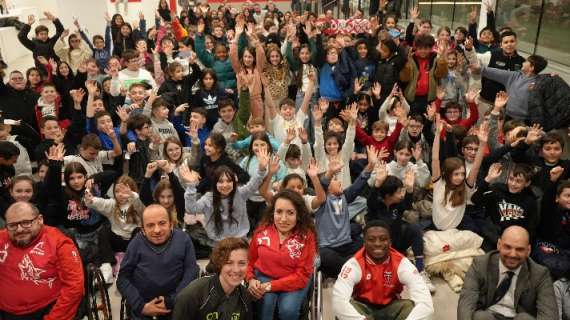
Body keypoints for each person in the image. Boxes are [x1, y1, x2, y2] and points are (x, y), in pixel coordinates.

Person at [332, 219, 434, 320]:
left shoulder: (402, 263)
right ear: (364, 243)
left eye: (383, 239)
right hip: (362, 308)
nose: (377, 244)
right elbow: (338, 301)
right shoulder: (353, 265)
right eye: (371, 239)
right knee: (343, 311)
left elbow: (426, 304)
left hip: (391, 307)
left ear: (390, 242)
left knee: (410, 307)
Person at [0, 202, 84, 320]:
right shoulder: (2, 238)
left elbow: (74, 287)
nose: (19, 230)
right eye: (12, 225)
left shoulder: (59, 242)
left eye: (26, 223)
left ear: (40, 220)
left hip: (46, 311)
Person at [117, 204, 199, 320]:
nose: (157, 230)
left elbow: (192, 271)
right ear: (143, 230)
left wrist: (172, 300)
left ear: (171, 224)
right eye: (150, 225)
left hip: (178, 303)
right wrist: (141, 306)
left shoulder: (183, 239)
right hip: (143, 307)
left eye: (162, 223)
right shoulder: (136, 243)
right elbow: (122, 278)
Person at [457, 226, 558, 320]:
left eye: (520, 249)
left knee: (524, 318)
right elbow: (466, 303)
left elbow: (549, 315)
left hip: (518, 317)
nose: (512, 254)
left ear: (528, 250)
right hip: (489, 315)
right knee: (481, 316)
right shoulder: (480, 264)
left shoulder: (540, 274)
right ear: (499, 245)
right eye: (507, 247)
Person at [246, 189, 318, 320]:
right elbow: (250, 261)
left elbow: (302, 276)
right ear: (272, 212)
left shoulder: (306, 236)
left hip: (295, 280)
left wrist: (270, 286)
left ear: (299, 215)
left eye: (290, 213)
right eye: (279, 212)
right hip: (264, 276)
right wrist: (250, 279)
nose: (283, 219)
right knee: (265, 307)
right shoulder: (261, 231)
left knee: (287, 311)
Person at [172, 237, 253, 320]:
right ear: (219, 263)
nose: (236, 269)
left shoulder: (245, 296)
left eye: (242, 263)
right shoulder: (191, 295)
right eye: (229, 263)